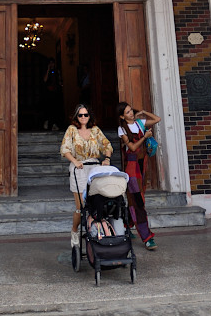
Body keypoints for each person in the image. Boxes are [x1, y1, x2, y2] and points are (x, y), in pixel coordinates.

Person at [59, 103, 112, 248]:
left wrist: (106, 159)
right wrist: (75, 161)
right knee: (80, 206)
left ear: (90, 116)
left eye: (86, 115)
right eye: (80, 115)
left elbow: (107, 145)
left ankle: (95, 229)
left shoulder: (95, 130)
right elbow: (65, 148)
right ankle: (75, 231)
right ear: (76, 117)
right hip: (79, 168)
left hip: (94, 167)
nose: (83, 117)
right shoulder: (72, 130)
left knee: (97, 201)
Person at [117, 101, 160, 250]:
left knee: (136, 198)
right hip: (131, 167)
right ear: (122, 116)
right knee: (138, 202)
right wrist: (145, 136)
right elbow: (133, 147)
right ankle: (147, 237)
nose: (131, 113)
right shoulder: (122, 129)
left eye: (131, 110)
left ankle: (126, 225)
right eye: (128, 112)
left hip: (143, 166)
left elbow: (157, 119)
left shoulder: (140, 122)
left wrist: (143, 112)